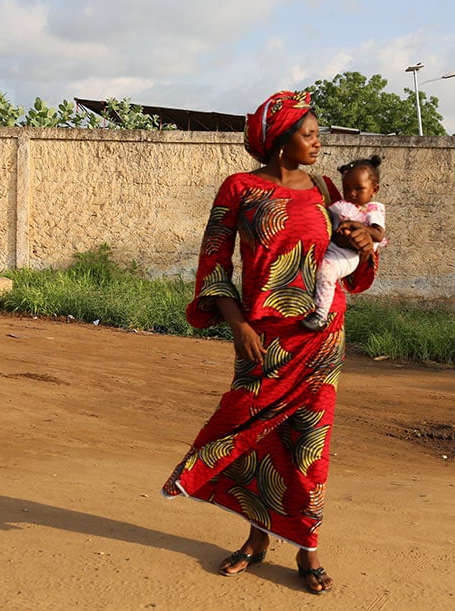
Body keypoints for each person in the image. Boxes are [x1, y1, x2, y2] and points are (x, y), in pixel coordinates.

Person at [161, 90, 377, 595]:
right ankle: (258, 539)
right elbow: (213, 264)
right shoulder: (239, 189)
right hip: (263, 339)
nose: (319, 142)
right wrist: (238, 326)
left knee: (309, 445)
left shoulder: (328, 190)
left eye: (318, 134)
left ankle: (308, 550)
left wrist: (366, 248)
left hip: (321, 339)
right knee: (254, 434)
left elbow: (352, 262)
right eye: (309, 134)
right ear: (281, 142)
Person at [302, 155, 387, 332]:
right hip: (336, 249)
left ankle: (320, 314)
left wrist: (356, 229)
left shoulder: (372, 210)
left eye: (358, 189)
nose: (352, 194)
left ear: (374, 189)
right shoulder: (340, 203)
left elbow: (378, 234)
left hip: (347, 255)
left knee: (326, 271)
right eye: (347, 189)